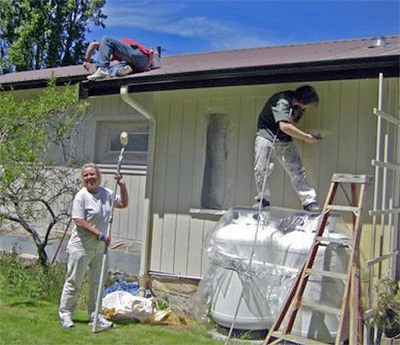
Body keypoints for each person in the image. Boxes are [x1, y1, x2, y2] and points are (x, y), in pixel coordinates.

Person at [59, 163, 129, 329]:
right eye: (86, 175)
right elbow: (79, 221)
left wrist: (122, 185)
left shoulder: (107, 193)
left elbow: (124, 203)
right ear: (83, 179)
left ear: (98, 176)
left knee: (97, 283)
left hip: (100, 248)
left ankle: (95, 315)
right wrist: (100, 234)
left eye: (92, 174)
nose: (90, 178)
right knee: (74, 281)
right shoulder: (81, 196)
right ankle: (66, 314)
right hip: (81, 246)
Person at [254, 85, 322, 212]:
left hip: (284, 140)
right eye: (309, 104)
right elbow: (284, 126)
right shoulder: (283, 100)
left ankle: (309, 202)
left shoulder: (298, 108)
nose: (308, 108)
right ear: (304, 100)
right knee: (262, 169)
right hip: (267, 137)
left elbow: (292, 124)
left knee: (297, 170)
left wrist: (308, 135)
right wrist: (306, 137)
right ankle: (262, 200)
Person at [83, 36, 152, 80]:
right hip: (139, 67)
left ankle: (102, 70)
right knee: (110, 70)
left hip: (140, 56)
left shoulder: (117, 45)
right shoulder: (120, 55)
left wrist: (86, 60)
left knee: (106, 39)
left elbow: (93, 44)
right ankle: (122, 70)